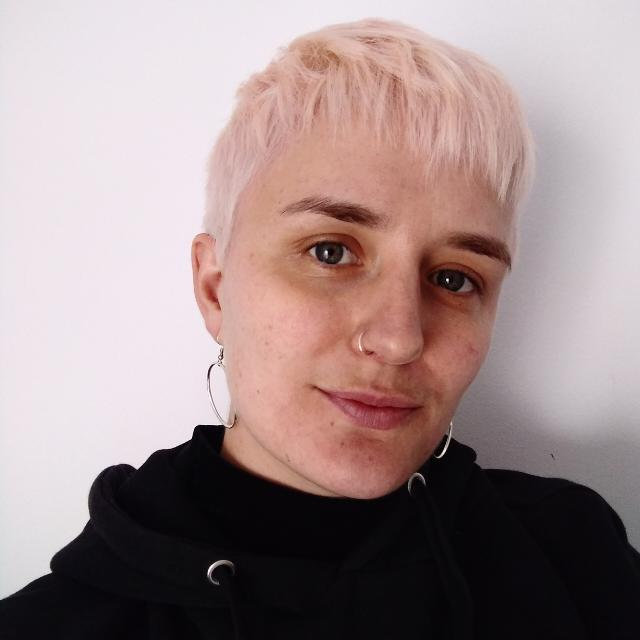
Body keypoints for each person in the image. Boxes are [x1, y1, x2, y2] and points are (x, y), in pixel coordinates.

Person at [1, 16, 639, 640]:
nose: (399, 340)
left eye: (454, 278)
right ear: (215, 287)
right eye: (330, 252)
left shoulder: (576, 557)